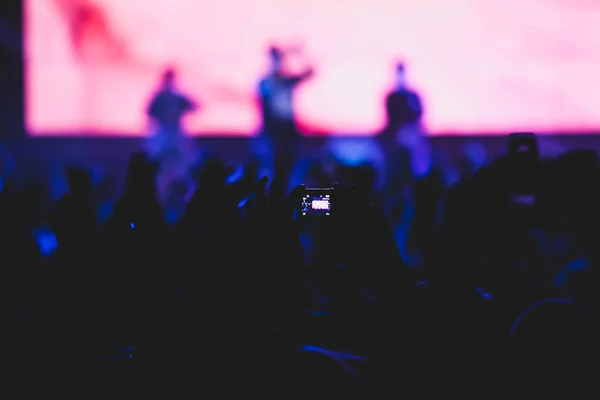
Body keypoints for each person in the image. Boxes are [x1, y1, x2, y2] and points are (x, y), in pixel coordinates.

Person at [257, 46, 314, 189]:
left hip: (288, 129)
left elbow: (311, 72)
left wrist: (300, 54)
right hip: (274, 130)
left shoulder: (286, 81)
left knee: (290, 166)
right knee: (275, 168)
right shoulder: (266, 82)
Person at [146, 68, 199, 206]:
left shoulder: (178, 97)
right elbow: (149, 113)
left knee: (179, 170)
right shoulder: (158, 97)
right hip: (163, 137)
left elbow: (195, 106)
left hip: (177, 138)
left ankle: (179, 200)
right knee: (160, 172)